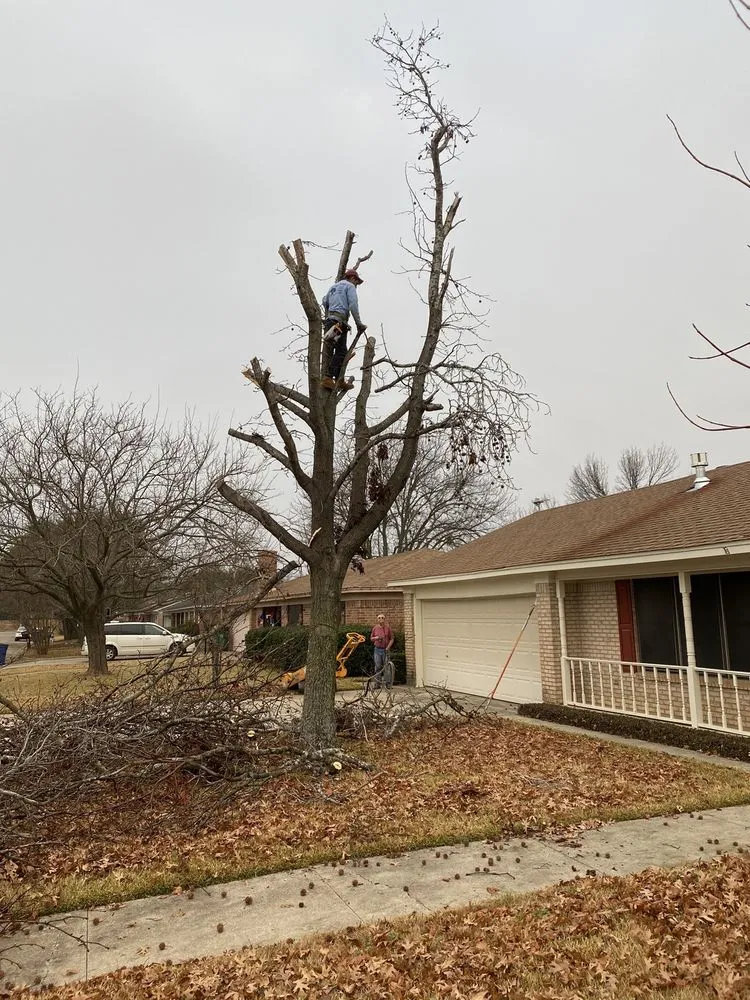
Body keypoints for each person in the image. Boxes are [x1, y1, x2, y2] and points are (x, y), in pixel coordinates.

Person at [320, 269, 367, 391]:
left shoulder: (333, 287)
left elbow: (324, 301)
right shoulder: (350, 286)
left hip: (330, 321)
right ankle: (329, 378)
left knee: (339, 350)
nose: (356, 285)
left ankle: (338, 379)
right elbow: (353, 304)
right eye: (357, 282)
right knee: (341, 351)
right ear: (352, 278)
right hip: (339, 322)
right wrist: (359, 323)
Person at [370, 612, 394, 690]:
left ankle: (388, 684)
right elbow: (371, 638)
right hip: (377, 650)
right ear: (377, 619)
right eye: (379, 618)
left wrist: (388, 647)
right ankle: (377, 684)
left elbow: (392, 639)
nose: (381, 619)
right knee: (377, 667)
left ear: (385, 619)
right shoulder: (375, 628)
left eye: (382, 618)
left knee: (387, 667)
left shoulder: (388, 628)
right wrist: (376, 638)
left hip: (385, 650)